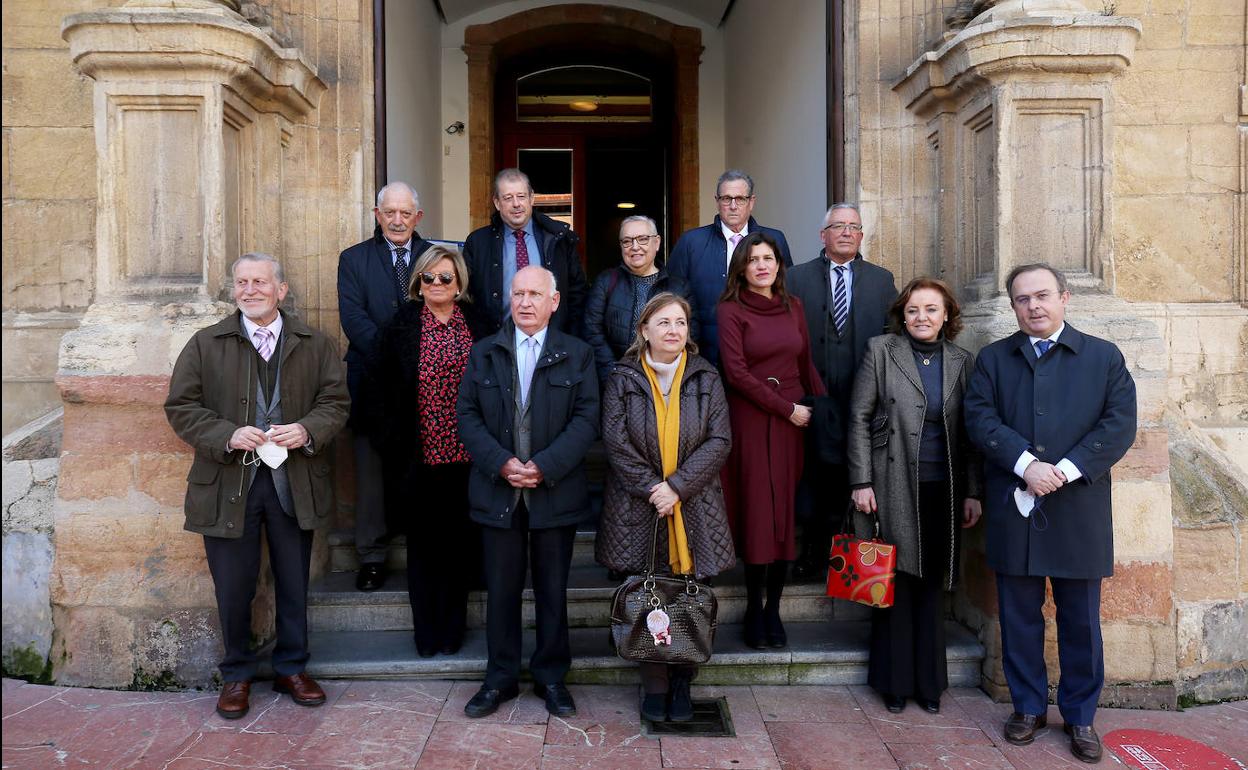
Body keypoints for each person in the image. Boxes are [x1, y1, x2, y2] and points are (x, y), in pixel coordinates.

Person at [165, 252, 350, 720]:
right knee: (233, 586)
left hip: (295, 482)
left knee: (293, 581)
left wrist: (308, 429)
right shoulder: (206, 343)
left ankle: (292, 668)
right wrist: (225, 433)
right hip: (230, 482)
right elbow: (181, 407)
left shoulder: (315, 343)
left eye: (260, 282)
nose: (250, 290)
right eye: (242, 282)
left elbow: (336, 401)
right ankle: (237, 674)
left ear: (281, 290)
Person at [964, 263, 1136, 764]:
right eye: (1022, 299)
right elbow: (980, 418)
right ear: (1014, 306)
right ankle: (1028, 708)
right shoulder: (994, 359)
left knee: (1081, 621)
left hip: (1078, 508)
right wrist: (1025, 465)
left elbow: (1119, 423)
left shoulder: (1103, 358)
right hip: (1014, 507)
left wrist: (1061, 469)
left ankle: (1080, 716)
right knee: (1018, 617)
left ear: (1064, 298)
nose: (1033, 306)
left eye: (1042, 296)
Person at [456, 265, 600, 719]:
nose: (524, 302)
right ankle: (499, 679)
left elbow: (587, 419)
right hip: (498, 493)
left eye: (535, 294)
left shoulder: (577, 354)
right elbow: (467, 417)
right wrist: (502, 463)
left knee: (552, 592)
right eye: (518, 293)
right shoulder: (484, 352)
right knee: (500, 592)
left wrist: (546, 465)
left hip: (554, 492)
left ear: (554, 302)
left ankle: (551, 677)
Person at [595, 292, 735, 723]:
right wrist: (655, 488)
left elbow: (719, 439)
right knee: (649, 594)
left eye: (680, 323)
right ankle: (654, 682)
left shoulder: (705, 376)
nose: (673, 331)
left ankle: (682, 681)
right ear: (644, 331)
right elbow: (615, 442)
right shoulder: (623, 376)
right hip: (639, 506)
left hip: (693, 504)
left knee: (687, 594)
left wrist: (677, 486)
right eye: (664, 323)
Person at [846, 277, 983, 715]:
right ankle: (893, 681)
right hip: (889, 485)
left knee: (932, 586)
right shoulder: (881, 352)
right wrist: (860, 482)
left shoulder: (963, 361)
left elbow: (970, 436)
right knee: (892, 584)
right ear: (901, 316)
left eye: (930, 309)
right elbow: (859, 417)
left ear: (947, 316)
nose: (921, 317)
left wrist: (973, 492)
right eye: (912, 310)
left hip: (943, 488)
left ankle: (929, 683)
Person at [364, 245, 487, 658]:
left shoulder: (478, 323)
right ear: (418, 282)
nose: (437, 284)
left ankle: (452, 631)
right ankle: (426, 634)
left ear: (459, 284)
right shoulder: (400, 325)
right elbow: (376, 386)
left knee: (458, 547)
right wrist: (390, 443)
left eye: (445, 278)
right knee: (423, 550)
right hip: (417, 458)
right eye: (429, 277)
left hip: (468, 457)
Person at [716, 231, 824, 649]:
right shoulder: (730, 309)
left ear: (779, 264)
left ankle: (774, 608)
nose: (762, 265)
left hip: (795, 422)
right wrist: (786, 408)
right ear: (741, 267)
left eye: (769, 258)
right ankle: (753, 607)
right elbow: (736, 373)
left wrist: (824, 414)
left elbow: (804, 361)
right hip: (753, 417)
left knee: (784, 514)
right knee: (759, 513)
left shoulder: (793, 306)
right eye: (754, 259)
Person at [788, 203, 897, 582]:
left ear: (862, 235)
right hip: (812, 399)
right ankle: (813, 552)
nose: (847, 232)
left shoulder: (882, 281)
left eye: (854, 227)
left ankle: (849, 561)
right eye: (838, 226)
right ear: (824, 235)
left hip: (863, 397)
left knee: (856, 476)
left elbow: (892, 339)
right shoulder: (795, 279)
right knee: (814, 476)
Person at [337, 181, 431, 591]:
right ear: (377, 215)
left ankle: (425, 552)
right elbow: (353, 319)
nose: (397, 220)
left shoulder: (436, 258)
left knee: (425, 465)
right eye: (389, 212)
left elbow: (448, 307)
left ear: (417, 217)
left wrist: (416, 359)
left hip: (426, 378)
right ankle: (372, 556)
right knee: (371, 470)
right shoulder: (353, 259)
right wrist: (395, 356)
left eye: (405, 213)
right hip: (372, 380)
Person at [667, 170, 793, 365]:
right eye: (726, 199)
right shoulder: (691, 242)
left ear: (751, 202)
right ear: (717, 201)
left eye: (740, 199)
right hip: (705, 355)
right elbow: (672, 299)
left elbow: (785, 293)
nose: (733, 206)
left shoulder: (774, 240)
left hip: (761, 352)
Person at [462, 168, 589, 338]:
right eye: (508, 198)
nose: (516, 204)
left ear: (531, 198)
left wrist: (569, 339)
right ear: (497, 203)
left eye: (521, 196)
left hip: (552, 344)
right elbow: (466, 297)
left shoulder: (559, 239)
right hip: (496, 344)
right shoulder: (478, 243)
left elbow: (577, 294)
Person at [583, 215, 697, 385]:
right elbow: (591, 330)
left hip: (667, 381)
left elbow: (691, 334)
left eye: (642, 239)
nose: (635, 247)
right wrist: (615, 375)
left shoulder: (679, 287)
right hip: (616, 380)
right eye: (627, 241)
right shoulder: (606, 282)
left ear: (657, 243)